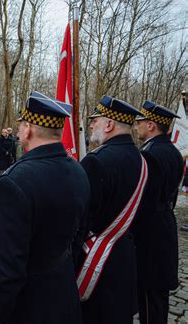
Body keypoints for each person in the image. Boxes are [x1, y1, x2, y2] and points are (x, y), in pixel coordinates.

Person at [0, 92, 89, 324]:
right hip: (65, 295)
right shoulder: (79, 171)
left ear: (28, 129)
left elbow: (6, 271)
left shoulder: (13, 182)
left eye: (21, 123)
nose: (19, 128)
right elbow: (79, 235)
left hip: (29, 307)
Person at [75, 96, 146, 324]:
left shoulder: (95, 161)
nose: (92, 124)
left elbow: (81, 221)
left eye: (95, 120)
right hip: (125, 258)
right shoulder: (141, 159)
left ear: (109, 125)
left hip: (97, 266)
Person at [132, 101, 184, 324]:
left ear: (151, 125)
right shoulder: (172, 151)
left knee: (149, 296)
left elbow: (145, 201)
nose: (136, 127)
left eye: (139, 122)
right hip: (165, 224)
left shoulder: (150, 154)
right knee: (158, 297)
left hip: (150, 234)